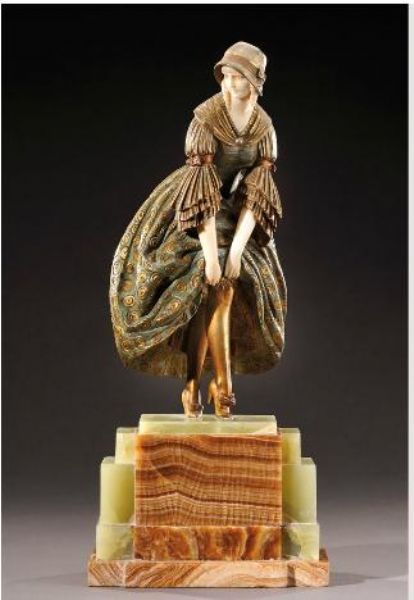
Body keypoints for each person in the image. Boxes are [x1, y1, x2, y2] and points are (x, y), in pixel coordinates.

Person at [109, 41, 287, 419]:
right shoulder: (205, 121)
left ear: (255, 83)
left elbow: (257, 198)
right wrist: (211, 256)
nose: (229, 82)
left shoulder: (264, 129)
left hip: (236, 215)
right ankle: (219, 388)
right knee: (213, 284)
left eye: (239, 77)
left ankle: (199, 384)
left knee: (222, 289)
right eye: (226, 75)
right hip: (193, 214)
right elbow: (200, 199)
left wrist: (236, 250)